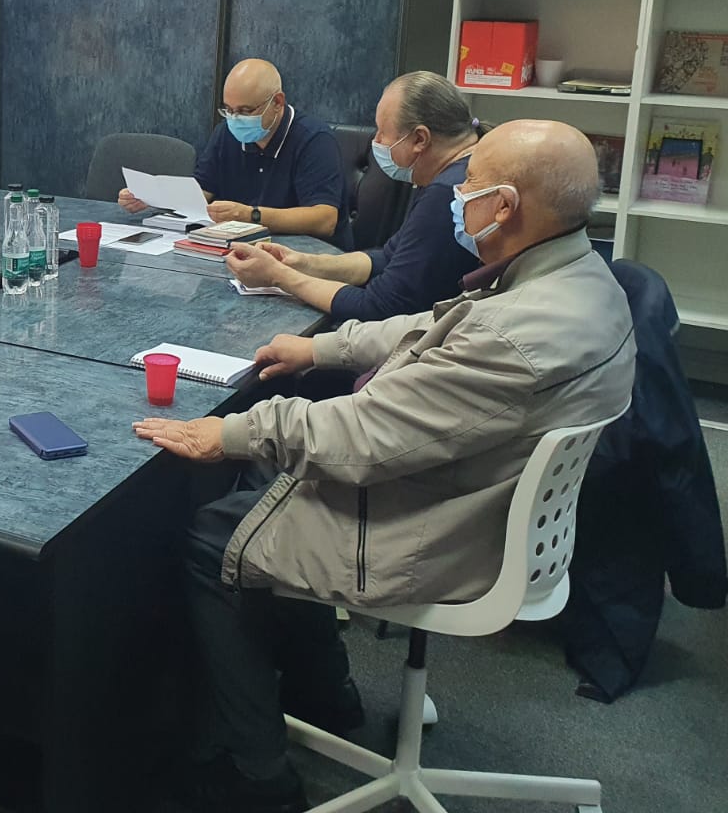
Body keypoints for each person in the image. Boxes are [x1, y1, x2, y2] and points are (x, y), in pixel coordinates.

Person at [133, 119, 636, 812]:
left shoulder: (512, 336)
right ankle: (324, 692)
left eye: (471, 184)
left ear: (505, 207)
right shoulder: (580, 278)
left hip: (449, 530)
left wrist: (232, 430)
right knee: (264, 484)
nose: (457, 195)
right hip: (489, 495)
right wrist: (325, 349)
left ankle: (255, 773)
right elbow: (439, 324)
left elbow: (363, 436)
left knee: (213, 537)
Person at [225, 71, 481, 321]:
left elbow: (378, 306)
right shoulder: (451, 175)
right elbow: (388, 258)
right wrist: (304, 263)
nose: (376, 140)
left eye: (382, 131)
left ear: (420, 139)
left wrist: (279, 276)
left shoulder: (446, 195)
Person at [119, 59, 351, 248]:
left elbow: (324, 220)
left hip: (308, 256)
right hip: (240, 250)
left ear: (277, 102)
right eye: (229, 110)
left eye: (245, 111)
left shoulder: (314, 140)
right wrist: (150, 198)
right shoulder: (226, 133)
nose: (235, 119)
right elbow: (201, 194)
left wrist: (251, 215)